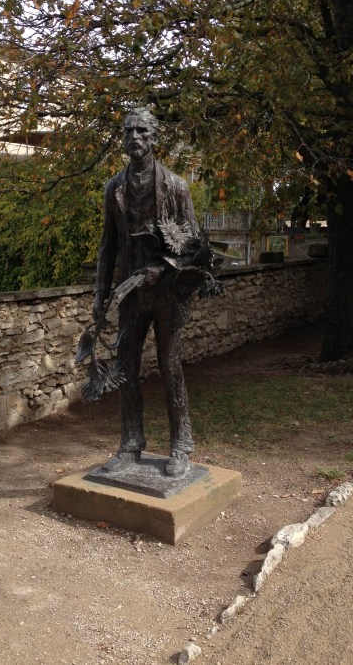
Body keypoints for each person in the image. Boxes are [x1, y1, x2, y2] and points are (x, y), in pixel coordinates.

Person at [93, 108, 205, 478]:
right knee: (126, 368)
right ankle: (130, 443)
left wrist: (161, 269)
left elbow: (193, 246)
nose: (134, 137)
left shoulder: (175, 187)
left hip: (166, 293)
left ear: (154, 137)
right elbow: (108, 246)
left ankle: (181, 445)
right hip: (129, 295)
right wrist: (101, 296)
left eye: (142, 130)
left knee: (170, 367)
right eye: (128, 131)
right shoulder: (115, 188)